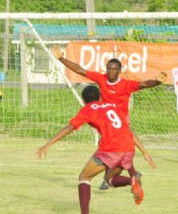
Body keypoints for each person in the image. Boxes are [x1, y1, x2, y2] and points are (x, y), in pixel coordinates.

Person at [52, 46, 164, 189]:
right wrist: (61, 58)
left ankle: (128, 175)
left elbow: (144, 84)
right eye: (109, 68)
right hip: (105, 120)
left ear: (119, 71)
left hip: (121, 120)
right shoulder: (102, 79)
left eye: (114, 69)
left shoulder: (126, 84)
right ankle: (116, 178)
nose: (111, 71)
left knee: (114, 147)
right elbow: (80, 70)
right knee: (110, 148)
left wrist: (157, 82)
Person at [35, 85, 144, 214]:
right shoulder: (113, 106)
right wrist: (144, 154)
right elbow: (127, 129)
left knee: (84, 177)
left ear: (83, 100)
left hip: (111, 149)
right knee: (110, 180)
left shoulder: (88, 109)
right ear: (99, 98)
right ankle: (132, 180)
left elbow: (70, 127)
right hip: (128, 148)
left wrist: (48, 144)